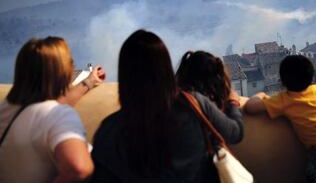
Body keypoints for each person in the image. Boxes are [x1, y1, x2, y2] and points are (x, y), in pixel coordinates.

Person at [90, 30, 243, 183]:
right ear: (166, 69)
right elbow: (235, 133)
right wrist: (233, 104)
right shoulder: (192, 104)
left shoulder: (109, 132)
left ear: (124, 76)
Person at [0, 36, 105, 183]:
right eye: (70, 62)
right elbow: (79, 170)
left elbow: (49, 106)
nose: (72, 67)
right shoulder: (58, 115)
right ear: (60, 71)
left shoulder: (6, 108)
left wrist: (88, 82)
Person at [243, 55, 316, 150]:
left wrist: (261, 94)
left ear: (283, 82)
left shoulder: (284, 100)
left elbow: (250, 107)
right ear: (311, 77)